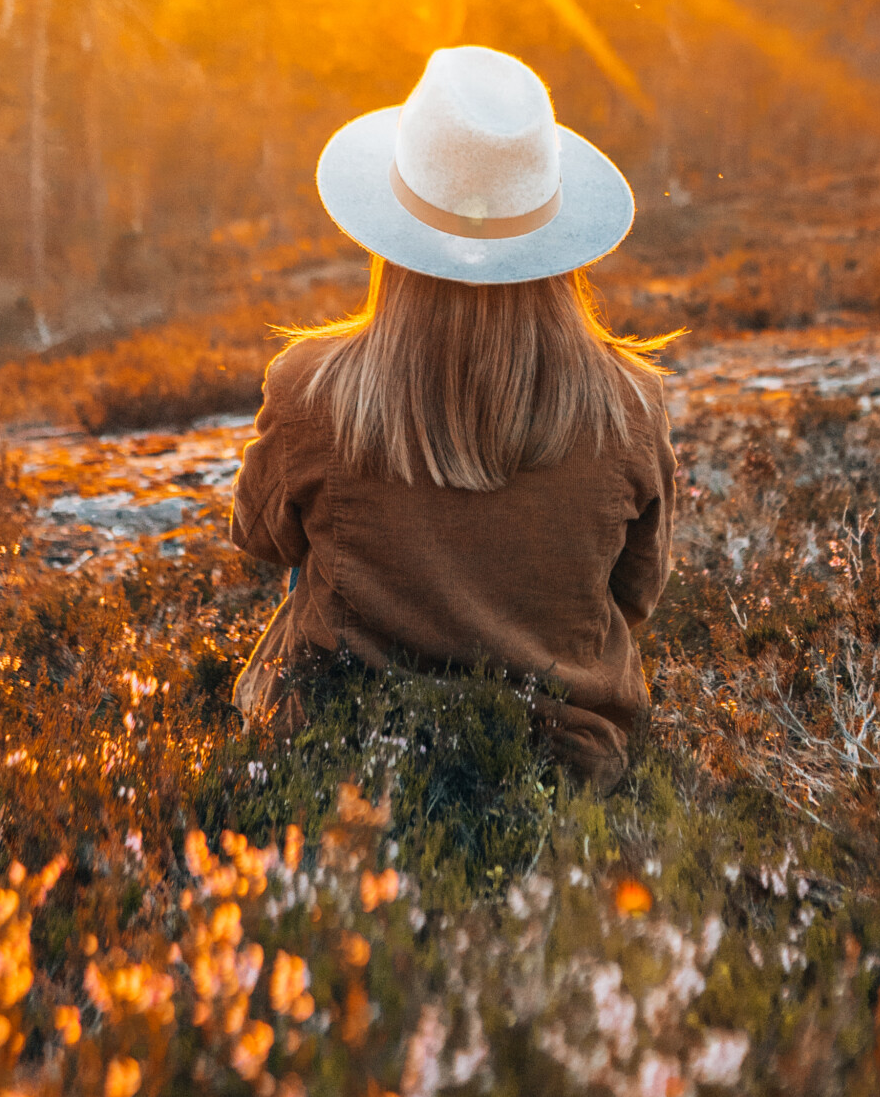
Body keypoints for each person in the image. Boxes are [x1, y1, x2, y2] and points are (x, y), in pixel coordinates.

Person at [229, 44, 677, 786]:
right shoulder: (630, 404)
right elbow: (637, 592)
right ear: (558, 245)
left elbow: (260, 536)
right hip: (564, 764)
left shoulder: (308, 387)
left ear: (391, 238)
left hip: (349, 749)